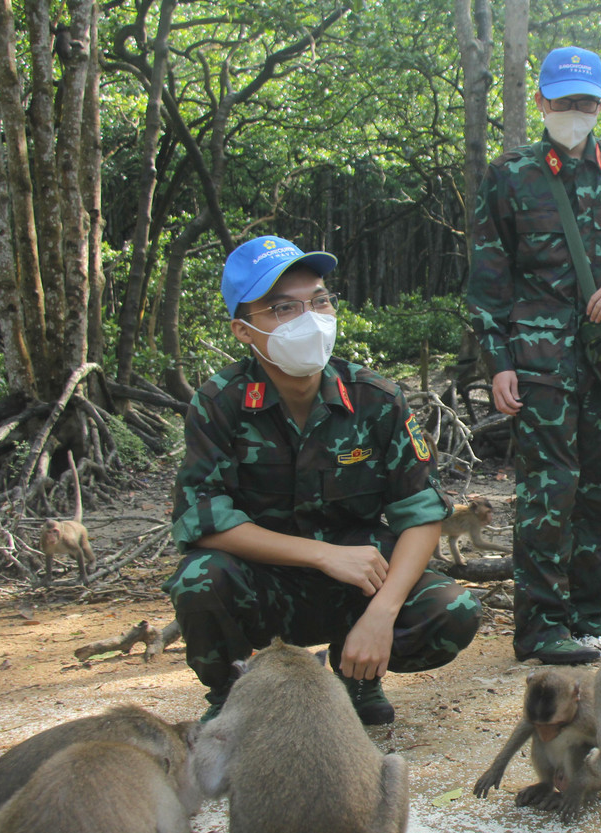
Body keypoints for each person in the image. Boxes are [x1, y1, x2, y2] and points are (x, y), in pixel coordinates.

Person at [164, 236, 481, 724]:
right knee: (200, 579)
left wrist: (382, 612)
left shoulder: (375, 397)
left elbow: (421, 514)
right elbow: (203, 521)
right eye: (284, 308)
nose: (310, 318)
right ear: (243, 329)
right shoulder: (220, 403)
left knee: (451, 607)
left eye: (320, 301)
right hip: (264, 582)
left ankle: (358, 677)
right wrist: (321, 554)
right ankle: (233, 694)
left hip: (357, 585)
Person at [468, 46, 601, 664]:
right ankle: (539, 627)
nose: (574, 112)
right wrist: (497, 361)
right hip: (538, 365)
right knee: (548, 493)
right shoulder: (511, 176)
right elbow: (487, 281)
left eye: (585, 102)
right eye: (562, 101)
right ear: (541, 103)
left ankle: (589, 617)